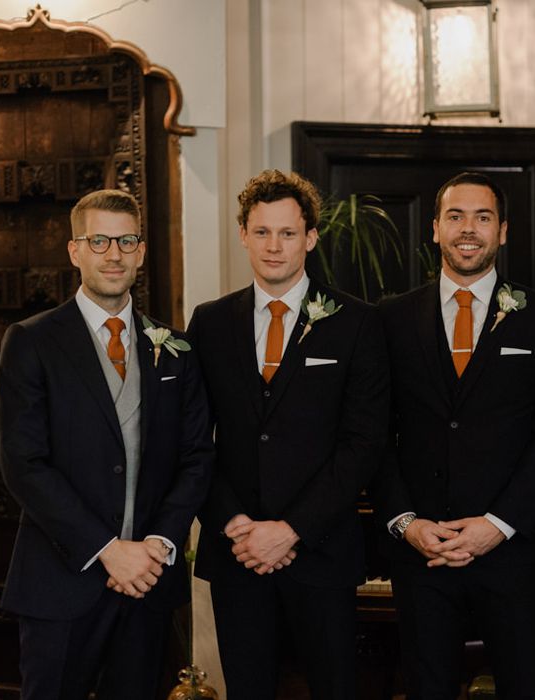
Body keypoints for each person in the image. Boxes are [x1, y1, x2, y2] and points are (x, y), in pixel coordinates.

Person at [0, 189, 214, 699]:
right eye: (99, 240)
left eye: (126, 240)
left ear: (140, 251)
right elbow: (24, 463)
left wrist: (157, 546)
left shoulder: (174, 347)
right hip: (60, 582)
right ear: (75, 251)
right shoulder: (31, 341)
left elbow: (197, 456)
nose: (113, 254)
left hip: (148, 586)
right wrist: (108, 550)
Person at [188, 169, 389, 699]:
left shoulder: (357, 322)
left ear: (311, 238)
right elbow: (192, 439)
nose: (273, 246)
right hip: (237, 553)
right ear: (243, 234)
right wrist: (235, 524)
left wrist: (292, 528)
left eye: (287, 233)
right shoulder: (208, 322)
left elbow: (363, 443)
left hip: (320, 551)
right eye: (261, 232)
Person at [376, 172, 535, 699]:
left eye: (483, 217)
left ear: (503, 231)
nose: (469, 229)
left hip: (513, 554)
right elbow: (374, 432)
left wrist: (498, 524)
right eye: (456, 217)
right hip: (423, 552)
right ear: (435, 228)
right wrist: (405, 523)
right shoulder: (390, 320)